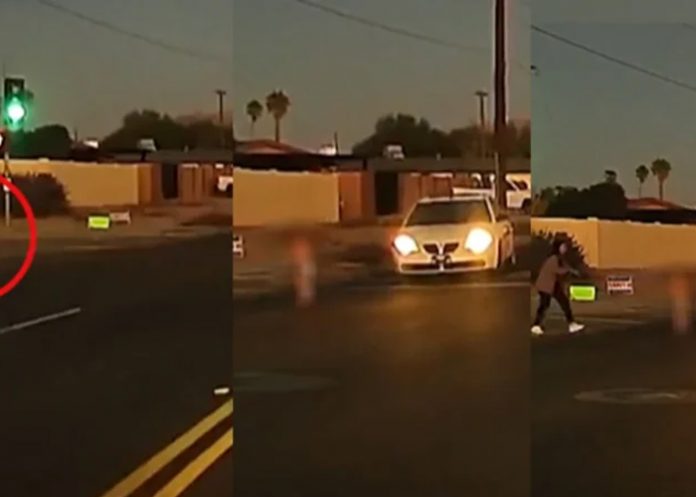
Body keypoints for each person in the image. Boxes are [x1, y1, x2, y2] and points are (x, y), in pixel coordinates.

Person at [531, 238, 585, 336]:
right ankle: (536, 325)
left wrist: (573, 271)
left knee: (564, 302)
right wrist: (568, 271)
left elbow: (565, 267)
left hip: (553, 284)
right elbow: (557, 270)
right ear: (558, 248)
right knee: (544, 305)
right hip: (545, 285)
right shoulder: (554, 258)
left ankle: (572, 324)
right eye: (563, 246)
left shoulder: (559, 258)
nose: (565, 248)